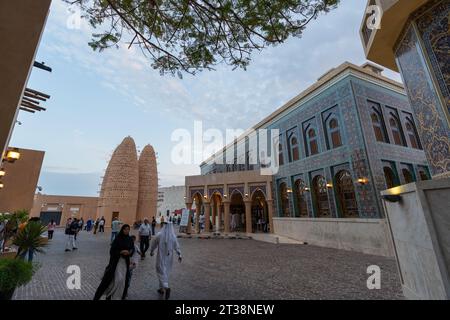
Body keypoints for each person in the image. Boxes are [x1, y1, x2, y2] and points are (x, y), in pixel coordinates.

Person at [93, 224, 134, 300]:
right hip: (116, 262)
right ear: (122, 230)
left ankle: (116, 297)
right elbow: (112, 251)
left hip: (125, 263)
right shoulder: (118, 239)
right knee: (117, 279)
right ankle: (107, 294)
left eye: (128, 229)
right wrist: (121, 252)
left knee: (121, 281)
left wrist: (129, 252)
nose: (127, 231)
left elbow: (132, 249)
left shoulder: (130, 239)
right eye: (125, 229)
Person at [150, 222, 182, 300]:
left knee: (160, 271)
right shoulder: (173, 236)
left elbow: (154, 243)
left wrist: (151, 251)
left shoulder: (159, 235)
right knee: (165, 272)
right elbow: (177, 246)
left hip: (161, 257)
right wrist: (179, 254)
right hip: (169, 258)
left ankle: (166, 287)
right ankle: (161, 289)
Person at [125, 235, 141, 299]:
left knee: (128, 277)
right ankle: (125, 291)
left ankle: (125, 291)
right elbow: (139, 253)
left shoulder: (135, 246)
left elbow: (139, 252)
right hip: (129, 264)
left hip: (131, 265)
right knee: (128, 278)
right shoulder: (130, 246)